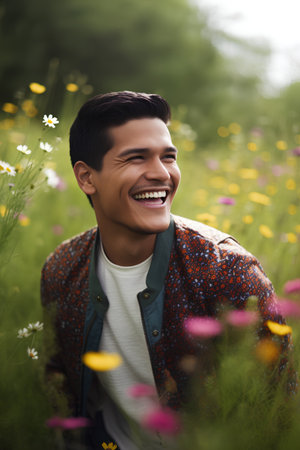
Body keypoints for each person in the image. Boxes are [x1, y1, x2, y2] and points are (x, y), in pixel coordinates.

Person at [41, 91, 290, 449]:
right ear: (86, 178)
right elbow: (62, 394)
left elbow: (275, 411)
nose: (161, 174)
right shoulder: (62, 270)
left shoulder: (228, 271)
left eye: (168, 157)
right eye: (136, 158)